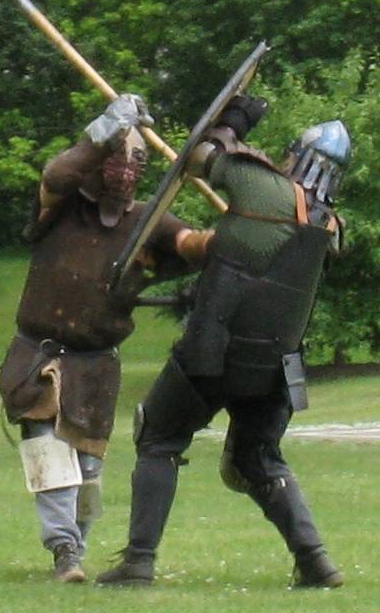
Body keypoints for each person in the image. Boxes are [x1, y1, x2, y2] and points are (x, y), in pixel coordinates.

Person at [96, 95, 351, 590]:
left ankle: (139, 561)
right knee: (259, 459)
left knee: (158, 436)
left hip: (216, 350)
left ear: (299, 157)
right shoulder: (331, 226)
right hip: (276, 367)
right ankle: (316, 562)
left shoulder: (264, 188)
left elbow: (199, 158)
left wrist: (235, 121)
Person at [0, 94, 213, 582]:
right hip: (39, 357)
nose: (126, 169)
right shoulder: (61, 206)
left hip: (96, 365)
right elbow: (58, 174)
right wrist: (104, 131)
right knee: (47, 450)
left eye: (136, 161)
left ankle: (76, 545)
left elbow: (192, 244)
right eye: (118, 157)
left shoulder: (148, 222)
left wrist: (238, 235)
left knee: (88, 473)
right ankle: (64, 550)